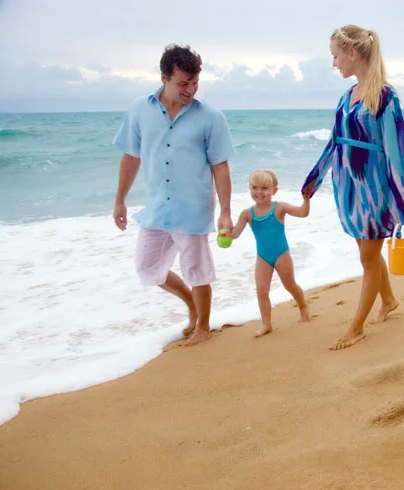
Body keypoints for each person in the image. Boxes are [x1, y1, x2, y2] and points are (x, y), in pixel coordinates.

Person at [301, 25, 404, 351]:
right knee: (367, 253)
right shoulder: (346, 97)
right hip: (347, 186)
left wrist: (401, 199)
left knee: (368, 257)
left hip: (374, 190)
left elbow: (398, 153)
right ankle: (388, 300)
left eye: (335, 55)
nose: (334, 63)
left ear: (353, 53)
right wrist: (314, 180)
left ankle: (356, 327)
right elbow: (335, 142)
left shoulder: (385, 97)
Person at [112, 44, 235, 346]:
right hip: (156, 208)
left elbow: (221, 166)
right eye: (183, 83)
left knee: (197, 271)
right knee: (148, 268)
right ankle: (191, 305)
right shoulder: (140, 109)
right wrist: (120, 200)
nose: (190, 90)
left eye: (195, 83)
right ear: (164, 78)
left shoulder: (211, 117)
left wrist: (225, 211)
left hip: (193, 208)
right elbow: (131, 157)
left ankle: (203, 328)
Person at [231, 170, 312, 336]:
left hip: (282, 254)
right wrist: (224, 230)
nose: (259, 192)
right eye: (254, 187)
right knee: (261, 291)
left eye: (264, 188)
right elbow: (234, 234)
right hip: (263, 257)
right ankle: (266, 324)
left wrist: (306, 199)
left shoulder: (279, 208)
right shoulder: (247, 213)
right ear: (249, 188)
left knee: (290, 285)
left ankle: (303, 306)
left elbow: (303, 213)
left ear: (274, 190)